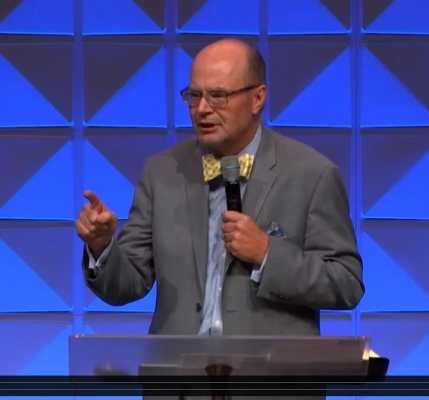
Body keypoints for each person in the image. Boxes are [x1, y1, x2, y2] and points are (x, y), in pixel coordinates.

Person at [76, 38, 364, 338]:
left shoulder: (312, 174)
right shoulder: (161, 172)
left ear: (257, 98)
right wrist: (101, 246)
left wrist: (267, 253)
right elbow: (126, 285)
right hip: (178, 366)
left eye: (218, 96)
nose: (202, 109)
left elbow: (346, 283)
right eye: (194, 95)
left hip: (269, 367)